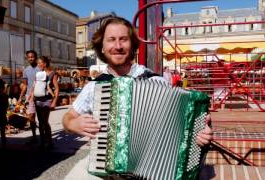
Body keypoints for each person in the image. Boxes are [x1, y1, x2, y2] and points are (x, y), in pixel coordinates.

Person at [62, 17, 212, 179]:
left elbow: (184, 129)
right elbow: (68, 118)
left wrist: (200, 134)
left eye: (123, 40)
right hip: (104, 167)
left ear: (132, 45)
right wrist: (73, 123)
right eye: (111, 40)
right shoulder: (94, 86)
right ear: (102, 47)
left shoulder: (156, 82)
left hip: (154, 171)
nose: (118, 46)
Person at [28, 56, 59, 149]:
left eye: (39, 63)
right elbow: (34, 86)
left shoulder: (53, 74)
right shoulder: (38, 74)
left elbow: (57, 89)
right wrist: (31, 97)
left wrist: (54, 102)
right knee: (40, 122)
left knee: (45, 122)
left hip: (47, 100)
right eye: (37, 63)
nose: (38, 65)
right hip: (37, 100)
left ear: (44, 64)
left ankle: (49, 142)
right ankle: (42, 142)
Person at [19, 50, 40, 144]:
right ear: (27, 59)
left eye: (32, 56)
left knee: (42, 118)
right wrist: (20, 97)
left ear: (35, 57)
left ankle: (44, 136)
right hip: (29, 96)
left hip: (40, 96)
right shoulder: (26, 70)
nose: (31, 58)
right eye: (29, 57)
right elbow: (25, 85)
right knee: (31, 117)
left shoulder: (40, 68)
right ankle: (34, 136)